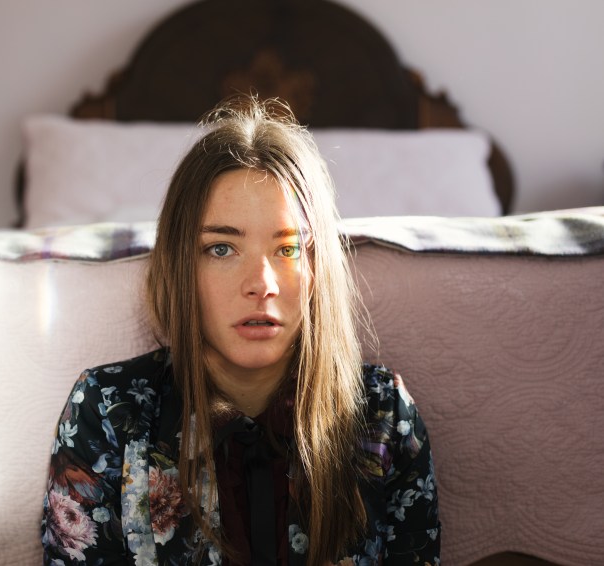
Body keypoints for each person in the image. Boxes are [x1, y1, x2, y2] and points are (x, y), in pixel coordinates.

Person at [41, 97, 440, 565]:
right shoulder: (106, 410)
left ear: (318, 269)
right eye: (222, 249)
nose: (262, 285)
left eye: (289, 249)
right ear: (180, 265)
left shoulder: (384, 415)